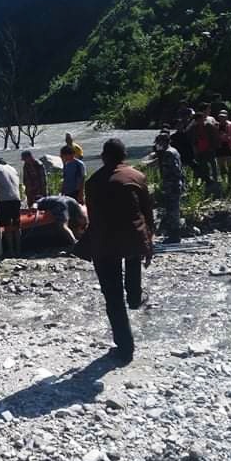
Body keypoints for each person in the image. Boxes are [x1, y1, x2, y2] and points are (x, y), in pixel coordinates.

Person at [84, 139, 154, 365]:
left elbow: (93, 217)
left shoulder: (93, 181)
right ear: (124, 156)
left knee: (113, 297)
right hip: (134, 237)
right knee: (132, 260)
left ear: (104, 157)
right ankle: (134, 296)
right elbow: (147, 213)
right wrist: (149, 241)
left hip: (104, 242)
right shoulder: (137, 177)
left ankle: (125, 349)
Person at [155, 132, 184, 244]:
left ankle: (174, 235)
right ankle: (174, 234)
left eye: (159, 142)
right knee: (174, 209)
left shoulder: (168, 153)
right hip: (175, 184)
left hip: (172, 185)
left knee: (172, 211)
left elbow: (174, 170)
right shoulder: (174, 151)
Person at [0, 159, 22, 257]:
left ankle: (11, 250)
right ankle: (19, 249)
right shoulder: (12, 168)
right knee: (17, 225)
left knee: (7, 226)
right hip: (16, 198)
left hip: (4, 200)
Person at [190, 110, 220, 193]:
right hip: (200, 149)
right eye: (198, 119)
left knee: (213, 164)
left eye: (201, 119)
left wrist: (213, 147)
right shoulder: (194, 128)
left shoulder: (209, 126)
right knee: (203, 166)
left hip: (209, 148)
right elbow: (192, 139)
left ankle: (216, 180)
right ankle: (206, 181)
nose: (200, 121)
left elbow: (215, 136)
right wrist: (195, 148)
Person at [215, 110, 231, 186]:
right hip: (219, 147)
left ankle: (230, 181)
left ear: (227, 117)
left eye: (223, 117)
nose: (222, 118)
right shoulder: (216, 125)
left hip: (228, 146)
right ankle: (224, 181)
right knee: (221, 165)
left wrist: (227, 137)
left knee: (230, 165)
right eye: (220, 117)